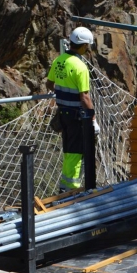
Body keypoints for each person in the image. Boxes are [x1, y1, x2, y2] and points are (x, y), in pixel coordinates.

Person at [46, 26, 99, 192]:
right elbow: (85, 97)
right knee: (76, 152)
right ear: (83, 46)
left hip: (63, 114)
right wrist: (93, 119)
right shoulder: (81, 67)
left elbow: (49, 84)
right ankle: (71, 189)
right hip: (77, 116)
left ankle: (65, 187)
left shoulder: (59, 60)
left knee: (68, 150)